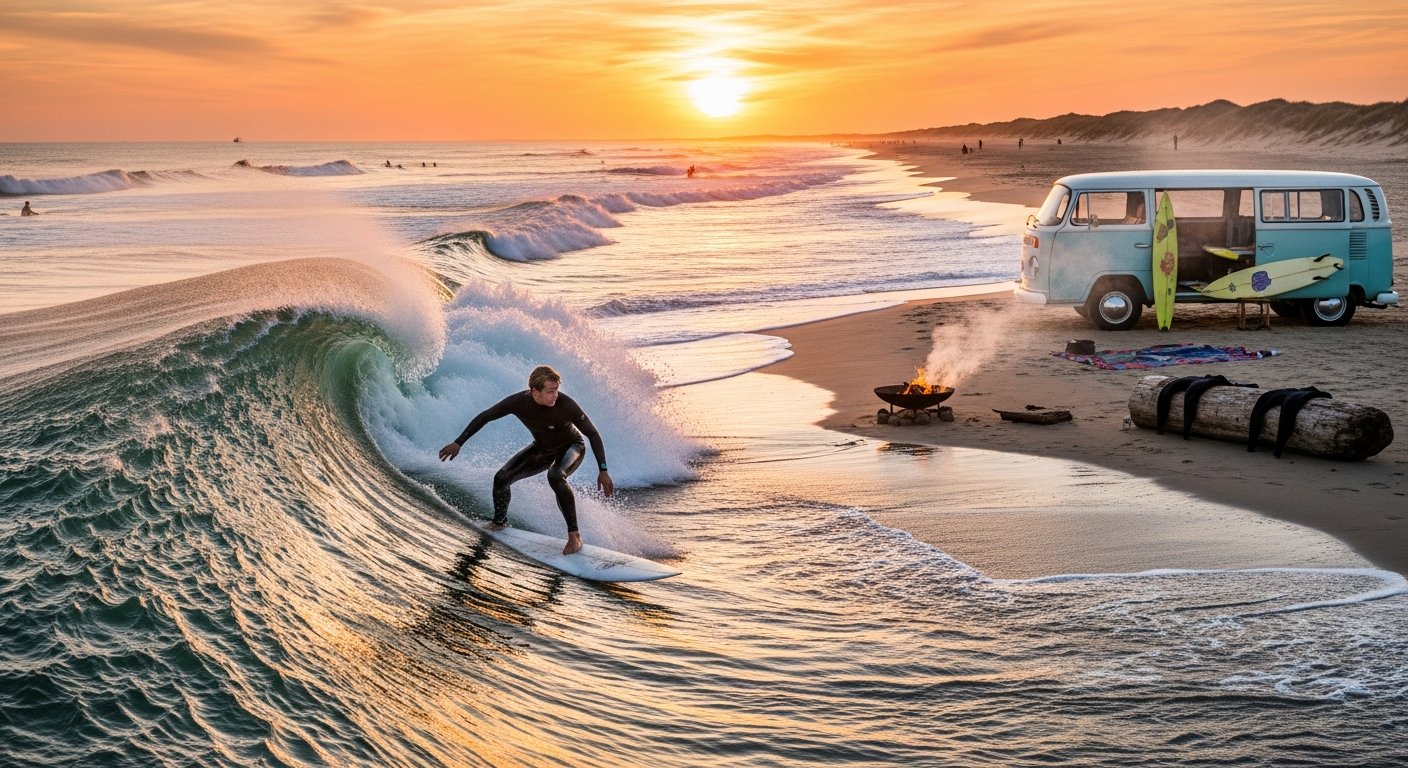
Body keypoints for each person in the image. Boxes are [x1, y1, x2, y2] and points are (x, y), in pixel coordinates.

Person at [438, 365, 613, 555]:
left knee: (555, 476)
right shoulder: (519, 402)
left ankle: (574, 535)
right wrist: (458, 443)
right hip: (543, 449)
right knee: (501, 478)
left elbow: (592, 434)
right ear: (534, 391)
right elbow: (486, 416)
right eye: (550, 391)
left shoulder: (566, 405)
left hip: (572, 446)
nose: (555, 395)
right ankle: (499, 522)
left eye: (556, 390)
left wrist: (603, 470)